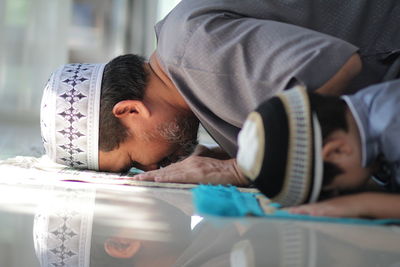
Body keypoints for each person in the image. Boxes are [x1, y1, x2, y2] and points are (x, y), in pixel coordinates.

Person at [41, 0, 400, 186]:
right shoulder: (185, 70)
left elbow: (338, 68)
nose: (149, 167)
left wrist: (240, 168)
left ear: (130, 111)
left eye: (133, 161)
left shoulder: (193, 53)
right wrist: (235, 149)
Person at [237, 81, 400, 219]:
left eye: (338, 191)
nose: (343, 197)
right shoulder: (367, 127)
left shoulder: (392, 123)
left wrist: (362, 204)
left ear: (337, 151)